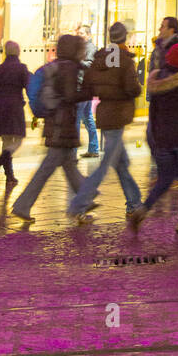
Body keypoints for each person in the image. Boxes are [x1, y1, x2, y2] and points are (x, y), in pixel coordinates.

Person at [65, 22, 142, 221]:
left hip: (105, 112)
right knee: (106, 163)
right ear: (125, 37)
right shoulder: (124, 60)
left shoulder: (101, 56)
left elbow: (89, 82)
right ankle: (79, 203)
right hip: (118, 113)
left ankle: (134, 202)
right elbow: (133, 88)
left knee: (121, 163)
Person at [129, 41, 178, 235]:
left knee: (165, 179)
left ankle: (143, 209)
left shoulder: (155, 78)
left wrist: (155, 136)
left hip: (162, 138)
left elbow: (152, 113)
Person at [10, 34, 87, 222]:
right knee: (48, 167)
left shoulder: (57, 68)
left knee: (68, 164)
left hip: (58, 122)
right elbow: (70, 96)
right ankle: (22, 205)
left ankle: (84, 201)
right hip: (61, 124)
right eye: (81, 48)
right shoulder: (67, 69)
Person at [0, 40, 29, 184]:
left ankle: (9, 175)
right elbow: (29, 88)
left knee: (6, 140)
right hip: (15, 106)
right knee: (18, 139)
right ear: (18, 51)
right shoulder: (22, 69)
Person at [73, 24, 100, 160]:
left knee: (77, 119)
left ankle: (73, 152)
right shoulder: (81, 47)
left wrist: (77, 61)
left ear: (88, 35)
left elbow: (90, 64)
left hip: (83, 87)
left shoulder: (90, 48)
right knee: (87, 118)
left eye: (82, 33)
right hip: (84, 87)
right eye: (78, 33)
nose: (79, 35)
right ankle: (94, 148)